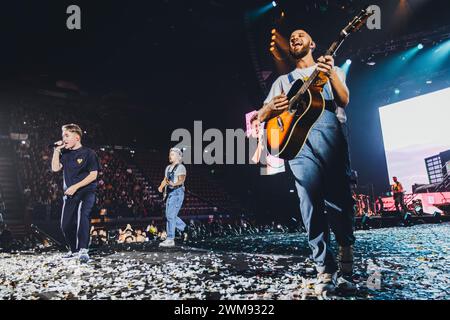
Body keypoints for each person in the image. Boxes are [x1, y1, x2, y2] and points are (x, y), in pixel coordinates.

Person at [257, 29, 356, 294]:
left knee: (339, 198)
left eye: (301, 35)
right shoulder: (282, 81)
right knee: (309, 203)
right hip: (296, 144)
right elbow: (262, 115)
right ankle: (325, 268)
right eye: (291, 38)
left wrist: (332, 71)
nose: (294, 38)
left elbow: (344, 99)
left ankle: (346, 254)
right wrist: (269, 110)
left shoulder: (329, 69)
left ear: (312, 43)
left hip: (329, 135)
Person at [51, 124, 101, 263]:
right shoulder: (65, 153)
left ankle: (83, 249)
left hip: (87, 191)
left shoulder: (89, 153)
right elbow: (55, 168)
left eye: (66, 135)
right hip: (70, 193)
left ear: (77, 137)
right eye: (63, 136)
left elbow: (93, 175)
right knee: (65, 224)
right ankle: (74, 250)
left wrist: (76, 186)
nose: (63, 138)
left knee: (83, 216)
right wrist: (56, 151)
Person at [157, 147, 187, 247]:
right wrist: (161, 187)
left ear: (178, 156)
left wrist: (174, 184)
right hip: (170, 194)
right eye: (170, 154)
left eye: (172, 154)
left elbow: (181, 180)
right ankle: (185, 228)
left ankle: (170, 239)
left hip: (177, 192)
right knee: (170, 216)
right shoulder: (168, 168)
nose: (170, 156)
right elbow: (165, 180)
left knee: (170, 216)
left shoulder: (181, 167)